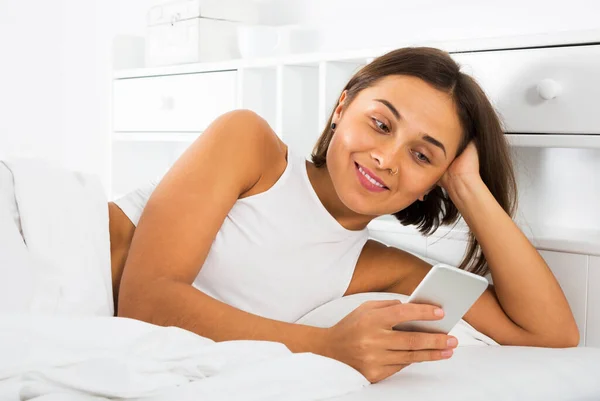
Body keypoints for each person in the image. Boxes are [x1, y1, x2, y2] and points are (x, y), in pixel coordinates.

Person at [107, 47, 579, 384]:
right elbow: (146, 302)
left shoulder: (380, 266)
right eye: (380, 124)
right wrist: (324, 345)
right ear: (342, 106)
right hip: (48, 250)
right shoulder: (249, 145)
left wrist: (468, 187)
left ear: (437, 179)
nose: (387, 158)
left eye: (422, 156)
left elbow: (550, 333)